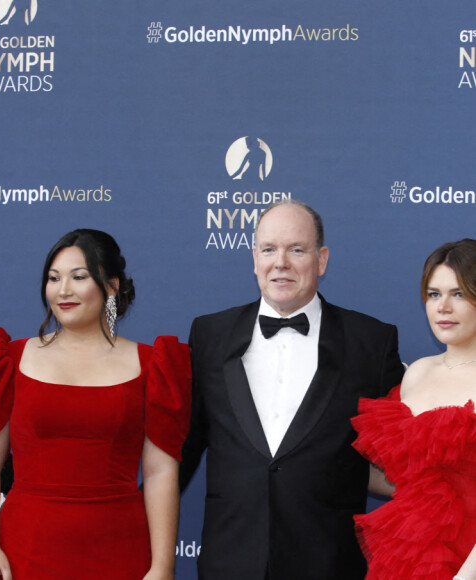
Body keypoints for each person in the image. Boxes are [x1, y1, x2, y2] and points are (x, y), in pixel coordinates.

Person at [179, 199, 404, 579]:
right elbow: (182, 451)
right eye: (269, 249)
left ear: (322, 259)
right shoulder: (209, 335)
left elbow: (400, 459)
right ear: (254, 258)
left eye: (296, 249)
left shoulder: (371, 342)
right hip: (229, 561)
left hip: (328, 563)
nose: (280, 262)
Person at [0, 228, 191, 580]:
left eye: (78, 277)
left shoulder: (154, 365)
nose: (63, 290)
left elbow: (161, 472)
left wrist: (162, 565)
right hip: (24, 549)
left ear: (111, 285)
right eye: (53, 278)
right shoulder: (8, 358)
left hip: (121, 550)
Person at [352, 239, 476, 580]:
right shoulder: (417, 373)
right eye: (434, 294)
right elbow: (399, 479)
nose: (443, 307)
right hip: (406, 560)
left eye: (459, 294)